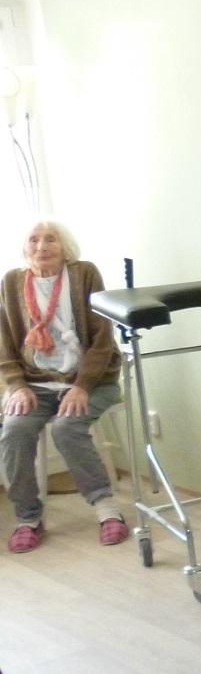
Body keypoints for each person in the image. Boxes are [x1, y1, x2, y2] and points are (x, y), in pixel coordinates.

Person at [0, 219, 126, 553]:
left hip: (92, 381)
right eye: (34, 239)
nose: (41, 247)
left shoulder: (84, 274)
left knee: (66, 429)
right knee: (13, 431)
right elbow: (4, 343)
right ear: (24, 246)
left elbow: (102, 339)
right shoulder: (11, 281)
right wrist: (17, 385)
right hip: (36, 384)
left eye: (50, 239)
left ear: (64, 246)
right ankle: (28, 518)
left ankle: (107, 511)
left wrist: (82, 385)